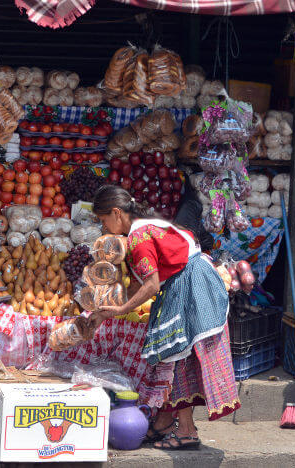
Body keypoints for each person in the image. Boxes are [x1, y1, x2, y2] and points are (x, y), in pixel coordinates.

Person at [89, 185, 240, 450]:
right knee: (178, 356)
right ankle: (167, 423)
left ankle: (186, 430)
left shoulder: (137, 238)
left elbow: (151, 285)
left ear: (116, 213)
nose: (104, 228)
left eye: (103, 220)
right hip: (193, 281)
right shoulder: (149, 225)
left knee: (176, 354)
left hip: (190, 286)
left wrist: (121, 310)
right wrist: (109, 308)